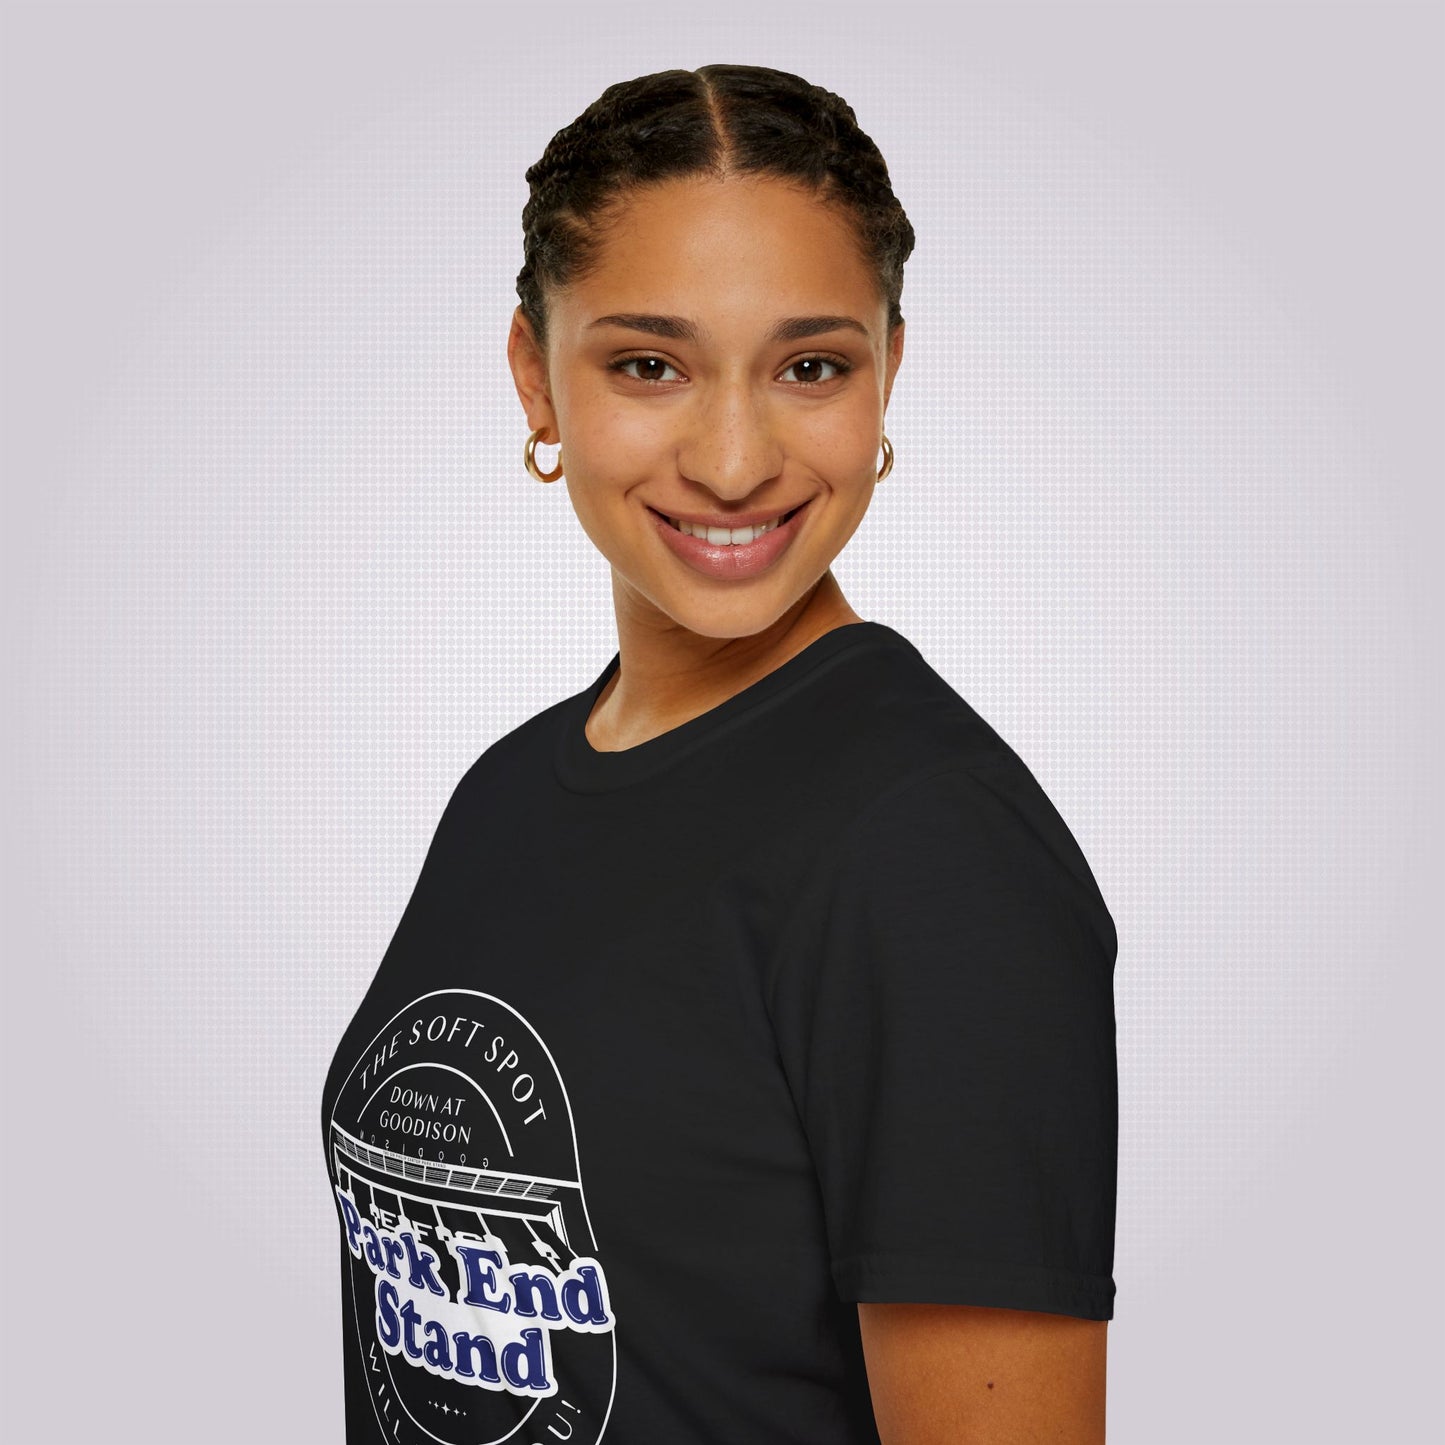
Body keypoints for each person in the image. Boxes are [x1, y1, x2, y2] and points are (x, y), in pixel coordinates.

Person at [321, 63, 1118, 1445]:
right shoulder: (508, 789)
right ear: (535, 373)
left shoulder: (928, 849)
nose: (736, 457)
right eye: (648, 364)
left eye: (810, 366)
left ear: (888, 373)